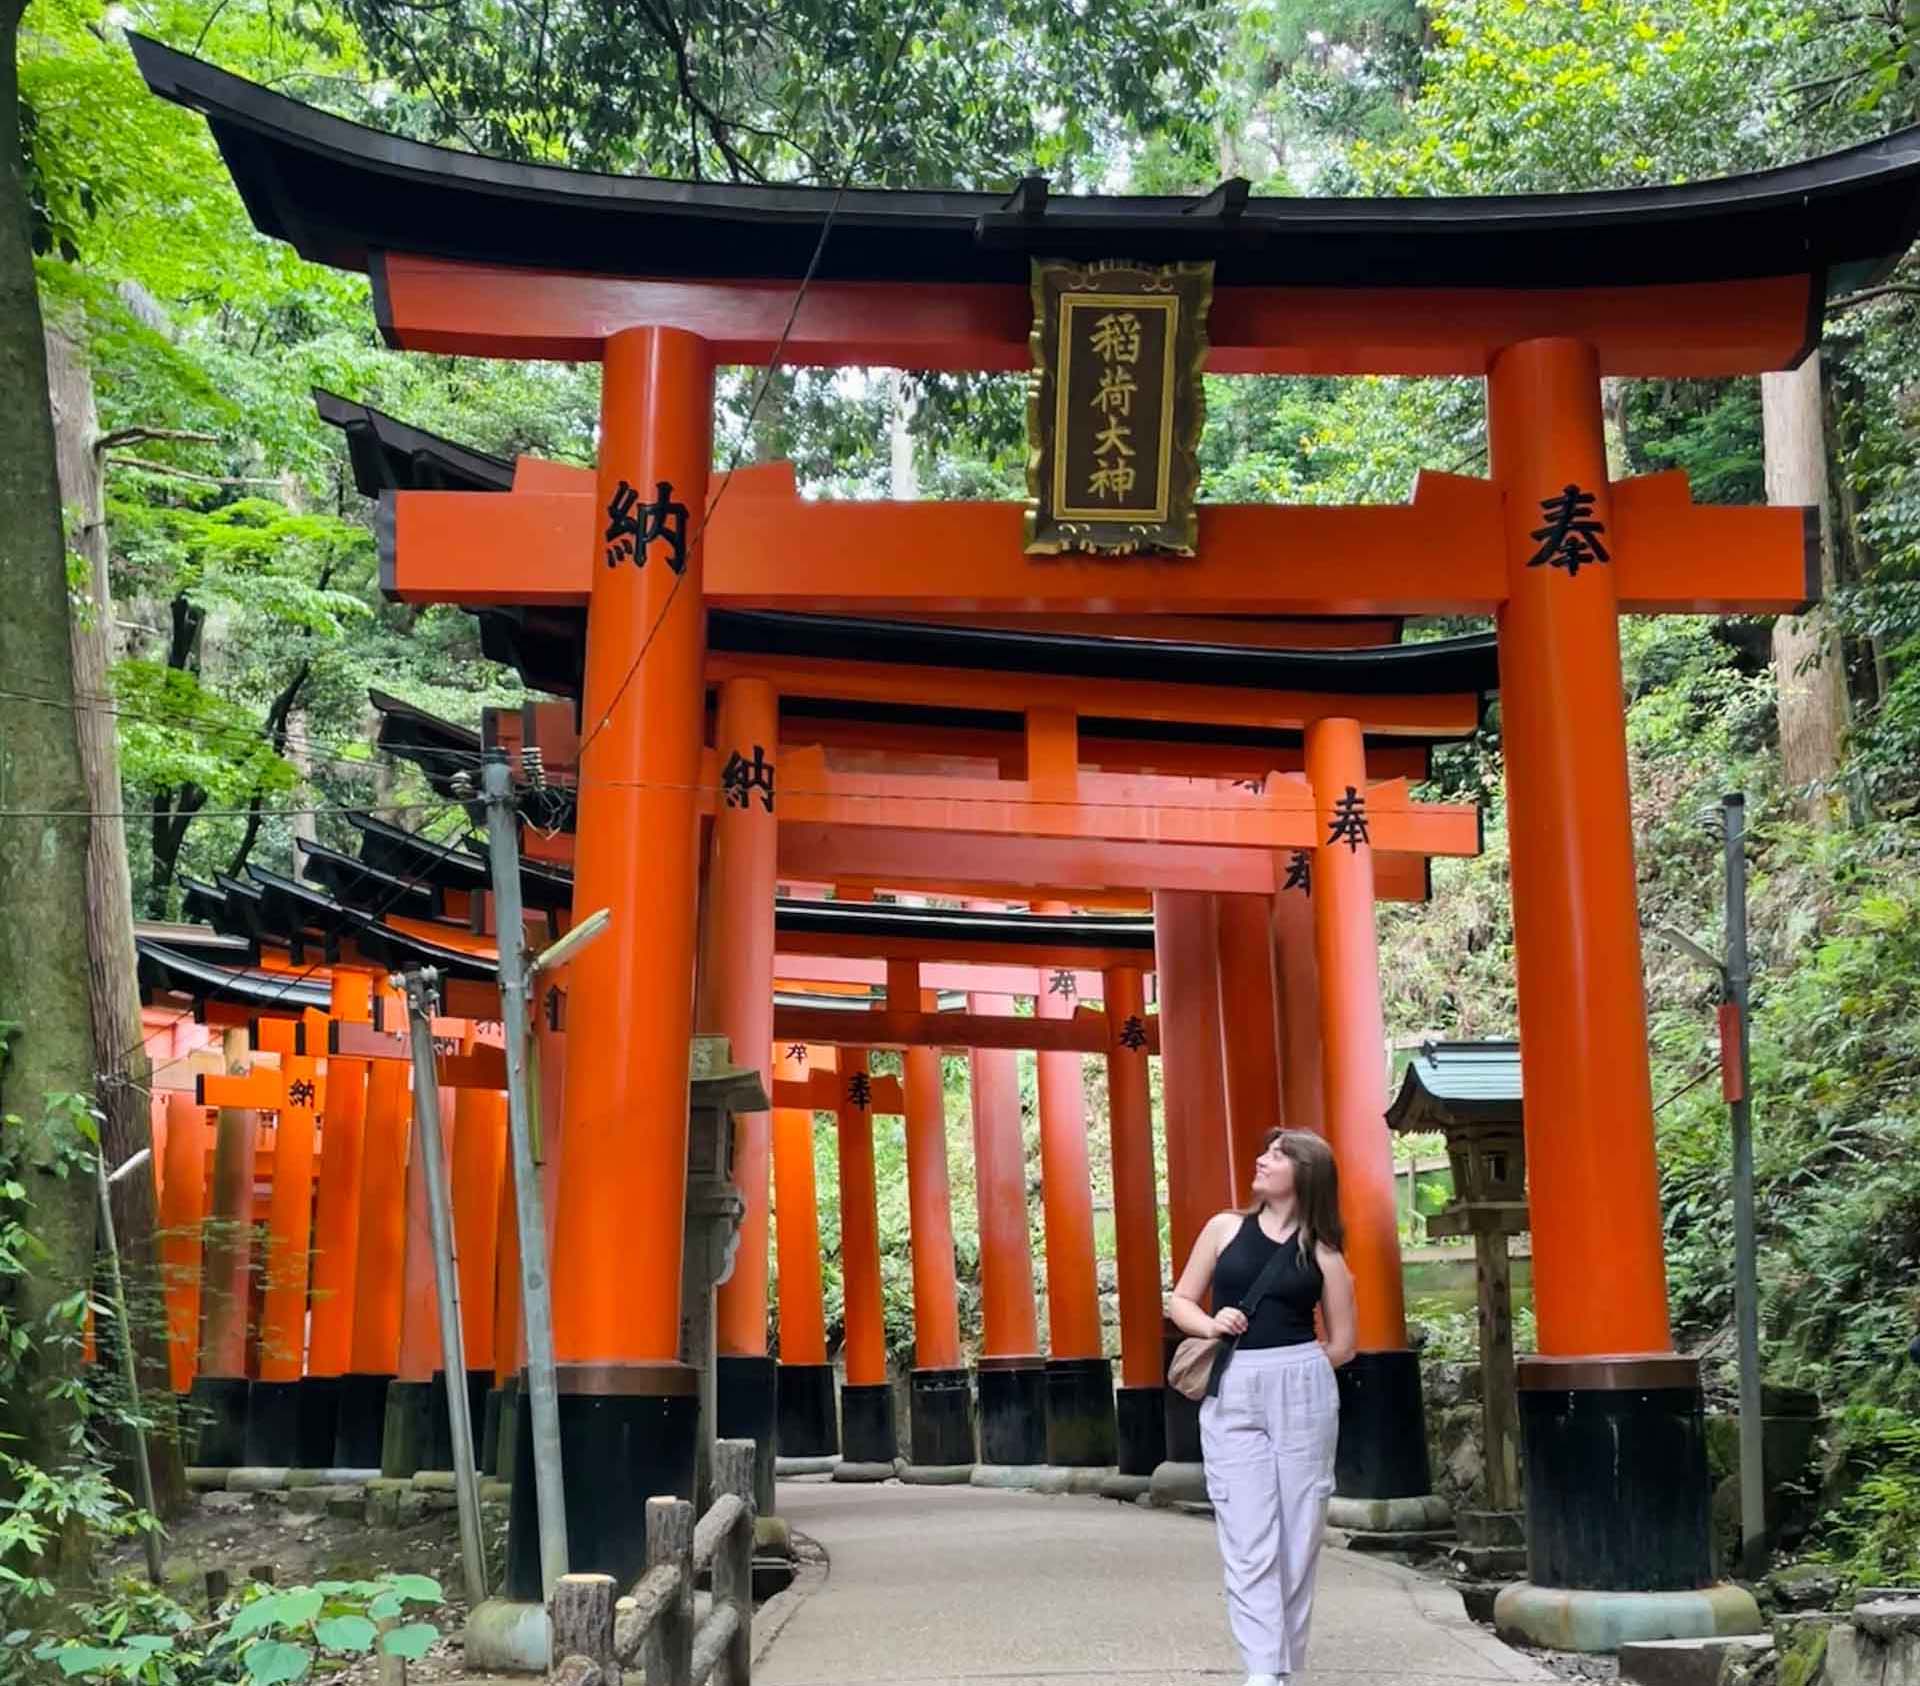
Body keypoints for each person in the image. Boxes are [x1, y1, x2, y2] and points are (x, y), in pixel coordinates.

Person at [1168, 1128, 1357, 1686]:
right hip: (1233, 1382)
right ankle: (1262, 1672)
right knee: (1248, 1537)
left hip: (1302, 1384)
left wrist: (1299, 1370)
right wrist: (1210, 1323)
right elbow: (1180, 1299)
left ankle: (1283, 1668)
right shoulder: (1224, 1228)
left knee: (1298, 1535)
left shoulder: (1323, 1252)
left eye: (1277, 1155)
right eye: (1266, 1152)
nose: (1261, 1160)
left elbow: (1344, 1344)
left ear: (1306, 1174)